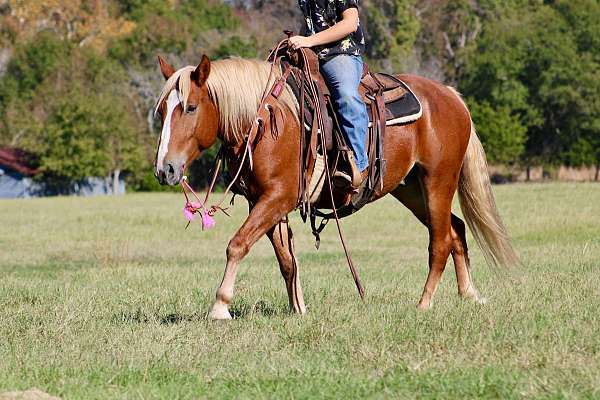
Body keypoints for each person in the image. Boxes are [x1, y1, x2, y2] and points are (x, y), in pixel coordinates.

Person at [289, 0, 369, 188]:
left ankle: (359, 165)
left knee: (347, 95)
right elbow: (312, 23)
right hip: (312, 53)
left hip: (341, 53)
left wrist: (308, 41)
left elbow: (350, 23)